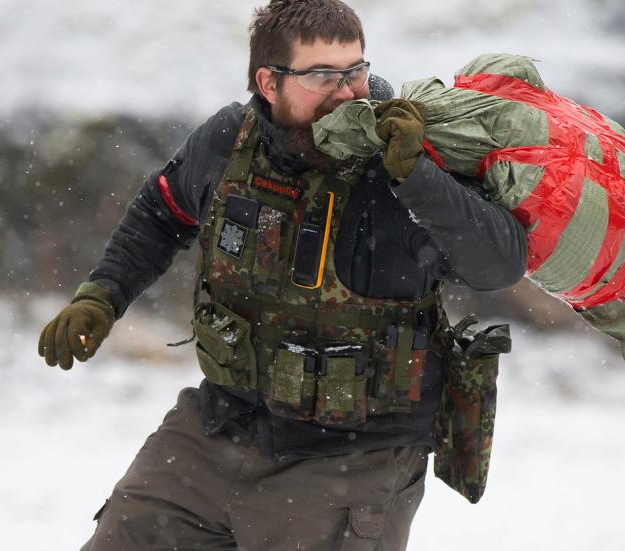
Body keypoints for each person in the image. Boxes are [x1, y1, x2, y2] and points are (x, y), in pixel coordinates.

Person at [37, 1, 527, 549]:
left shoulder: (399, 158)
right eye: (323, 75)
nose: (348, 91)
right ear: (269, 82)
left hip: (351, 456)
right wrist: (103, 295)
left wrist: (416, 178)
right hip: (220, 424)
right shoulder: (231, 139)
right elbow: (162, 211)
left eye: (356, 70)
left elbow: (500, 264)